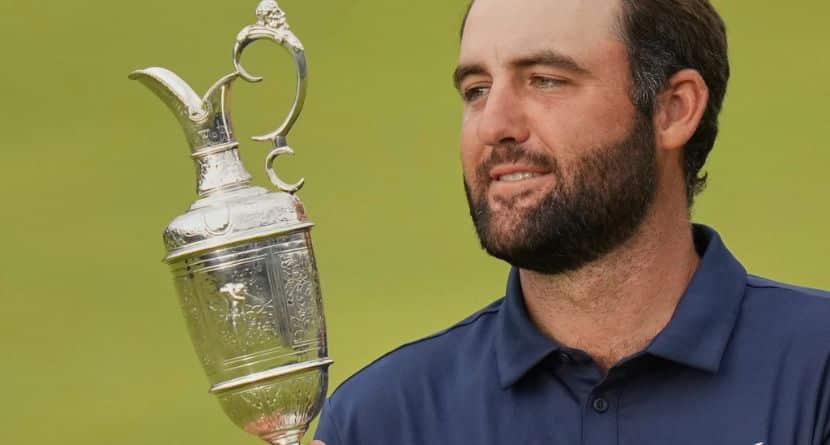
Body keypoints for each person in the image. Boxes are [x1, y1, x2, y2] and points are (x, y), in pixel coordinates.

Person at [312, 0, 830, 443]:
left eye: (545, 80)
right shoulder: (382, 420)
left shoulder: (817, 368)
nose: (494, 125)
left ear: (673, 109)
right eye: (476, 90)